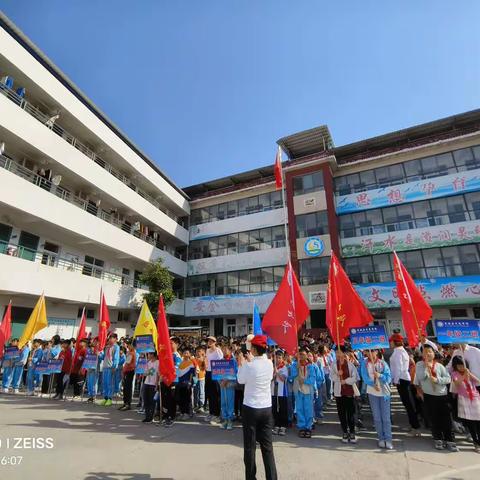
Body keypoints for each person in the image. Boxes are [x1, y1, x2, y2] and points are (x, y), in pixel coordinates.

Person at [237, 335, 277, 480]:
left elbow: (240, 379)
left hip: (251, 408)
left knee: (250, 447)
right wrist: (249, 362)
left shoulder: (249, 365)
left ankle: (251, 477)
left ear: (253, 349)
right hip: (266, 408)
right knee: (267, 447)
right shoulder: (269, 363)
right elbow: (260, 363)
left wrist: (242, 364)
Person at [414, 344, 458, 451]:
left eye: (430, 351)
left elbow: (447, 379)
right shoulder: (420, 365)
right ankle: (438, 438)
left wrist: (437, 380)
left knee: (446, 418)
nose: (428, 353)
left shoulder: (439, 366)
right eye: (425, 352)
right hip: (429, 396)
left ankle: (450, 439)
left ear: (434, 353)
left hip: (442, 396)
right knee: (434, 418)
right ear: (422, 354)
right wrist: (426, 367)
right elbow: (420, 377)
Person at [389, 333, 421, 436]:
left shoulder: (398, 352)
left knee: (409, 404)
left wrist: (396, 380)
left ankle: (415, 428)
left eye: (391, 341)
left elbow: (399, 368)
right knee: (409, 404)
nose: (390, 343)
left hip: (402, 380)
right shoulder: (401, 351)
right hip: (403, 379)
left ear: (395, 342)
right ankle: (414, 425)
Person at [360, 350, 393, 449]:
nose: (370, 353)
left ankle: (388, 439)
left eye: (373, 351)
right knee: (377, 417)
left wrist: (380, 376)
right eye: (368, 351)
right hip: (372, 392)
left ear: (376, 352)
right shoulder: (365, 363)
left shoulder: (382, 363)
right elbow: (364, 377)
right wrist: (373, 384)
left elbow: (388, 377)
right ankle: (381, 438)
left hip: (384, 393)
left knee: (386, 418)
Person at [450, 355, 480, 452]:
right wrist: (463, 376)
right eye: (459, 366)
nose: (461, 367)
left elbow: (478, 382)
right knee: (471, 423)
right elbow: (457, 383)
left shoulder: (468, 372)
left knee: (478, 421)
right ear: (455, 366)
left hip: (475, 398)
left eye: (462, 365)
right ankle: (476, 443)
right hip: (464, 399)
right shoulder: (454, 374)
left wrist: (469, 374)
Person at [331, 345, 360, 444]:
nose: (337, 354)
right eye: (336, 352)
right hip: (339, 393)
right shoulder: (334, 365)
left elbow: (355, 377)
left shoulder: (350, 365)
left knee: (350, 413)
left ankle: (352, 432)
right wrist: (337, 375)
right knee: (341, 413)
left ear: (344, 353)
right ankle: (344, 432)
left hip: (349, 392)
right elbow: (332, 377)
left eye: (339, 352)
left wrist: (346, 381)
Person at [291, 348, 316, 438]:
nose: (301, 356)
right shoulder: (295, 365)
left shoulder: (311, 366)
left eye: (303, 354)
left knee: (308, 409)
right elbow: (292, 376)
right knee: (299, 408)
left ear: (306, 355)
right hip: (298, 389)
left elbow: (313, 378)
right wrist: (296, 369)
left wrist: (305, 381)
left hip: (308, 390)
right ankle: (301, 427)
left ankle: (308, 427)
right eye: (300, 354)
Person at [204, 336, 223, 424]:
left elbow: (221, 362)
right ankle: (211, 413)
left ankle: (217, 414)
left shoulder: (218, 350)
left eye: (212, 341)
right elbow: (206, 361)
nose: (210, 342)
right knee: (209, 393)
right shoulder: (207, 351)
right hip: (208, 373)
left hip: (216, 373)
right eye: (208, 341)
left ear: (215, 342)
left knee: (216, 394)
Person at [219, 343, 237, 430]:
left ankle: (230, 420)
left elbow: (236, 373)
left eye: (226, 349)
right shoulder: (221, 360)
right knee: (223, 402)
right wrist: (220, 381)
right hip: (222, 385)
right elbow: (217, 373)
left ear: (230, 351)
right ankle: (225, 419)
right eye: (223, 349)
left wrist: (228, 380)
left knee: (230, 402)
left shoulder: (233, 361)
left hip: (230, 384)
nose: (224, 351)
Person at [271, 350, 288, 436]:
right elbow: (270, 379)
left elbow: (283, 379)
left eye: (279, 358)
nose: (278, 359)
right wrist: (273, 374)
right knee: (274, 409)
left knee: (282, 409)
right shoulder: (272, 367)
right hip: (273, 391)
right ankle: (276, 425)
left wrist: (277, 372)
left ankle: (283, 426)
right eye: (276, 357)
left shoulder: (284, 367)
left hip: (282, 392)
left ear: (282, 358)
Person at [99, 334, 120, 406]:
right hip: (105, 367)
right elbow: (103, 357)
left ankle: (110, 399)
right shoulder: (106, 347)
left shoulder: (116, 347)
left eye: (112, 338)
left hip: (111, 368)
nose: (110, 339)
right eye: (109, 338)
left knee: (109, 383)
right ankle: (105, 398)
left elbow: (116, 358)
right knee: (104, 383)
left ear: (115, 339)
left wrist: (114, 367)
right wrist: (99, 354)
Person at [176, 348, 196, 420]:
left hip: (187, 383)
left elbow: (191, 374)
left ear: (190, 354)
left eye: (187, 353)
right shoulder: (181, 363)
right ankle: (182, 412)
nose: (186, 354)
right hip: (180, 383)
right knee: (181, 398)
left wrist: (190, 382)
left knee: (187, 399)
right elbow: (178, 373)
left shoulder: (191, 363)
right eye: (184, 353)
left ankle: (187, 413)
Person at [119, 343, 136, 411]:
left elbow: (127, 363)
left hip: (129, 371)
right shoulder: (129, 352)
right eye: (128, 345)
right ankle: (125, 403)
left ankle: (128, 404)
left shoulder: (132, 353)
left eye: (130, 345)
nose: (128, 346)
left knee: (128, 388)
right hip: (127, 371)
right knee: (125, 388)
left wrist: (123, 371)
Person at [143, 351, 159, 423]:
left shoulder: (158, 362)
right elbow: (145, 373)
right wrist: (145, 371)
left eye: (149, 354)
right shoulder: (148, 362)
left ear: (153, 354)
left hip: (153, 384)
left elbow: (158, 374)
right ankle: (147, 416)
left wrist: (156, 384)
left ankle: (151, 417)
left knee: (152, 401)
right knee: (146, 400)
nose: (148, 355)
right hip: (146, 383)